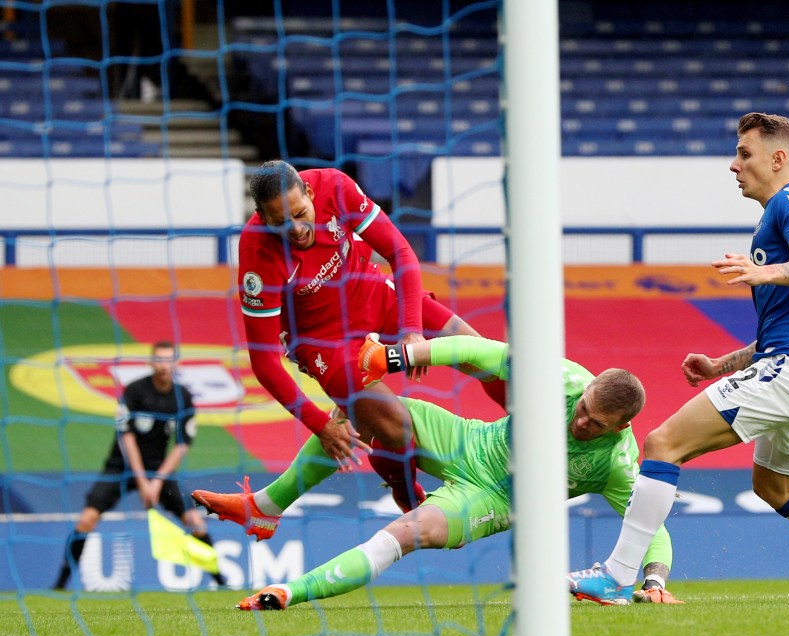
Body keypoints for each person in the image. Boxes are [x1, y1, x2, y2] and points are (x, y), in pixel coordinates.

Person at [567, 112, 789, 604]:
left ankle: (616, 576)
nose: (734, 165)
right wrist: (722, 366)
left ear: (778, 158)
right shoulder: (776, 216)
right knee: (772, 484)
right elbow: (787, 329)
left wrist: (763, 273)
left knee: (663, 443)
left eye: (744, 154)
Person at [228, 333, 681, 610]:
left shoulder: (619, 461)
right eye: (583, 410)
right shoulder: (564, 379)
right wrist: (396, 356)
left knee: (405, 534)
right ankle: (265, 507)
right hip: (468, 440)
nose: (580, 422)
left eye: (595, 424)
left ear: (621, 426)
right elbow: (475, 350)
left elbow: (648, 526)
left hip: (492, 499)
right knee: (357, 410)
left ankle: (289, 593)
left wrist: (655, 579)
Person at [235, 160, 504, 516]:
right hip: (323, 342)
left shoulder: (336, 187)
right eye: (280, 222)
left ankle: (529, 442)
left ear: (311, 193)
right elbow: (264, 361)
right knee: (396, 425)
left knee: (480, 353)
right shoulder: (257, 255)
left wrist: (411, 331)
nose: (296, 228)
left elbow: (400, 253)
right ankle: (406, 496)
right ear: (261, 216)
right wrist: (320, 426)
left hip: (374, 294)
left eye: (301, 213)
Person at [53, 340, 225, 590]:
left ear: (176, 363)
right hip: (120, 468)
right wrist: (143, 481)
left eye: (169, 360)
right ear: (151, 362)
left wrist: (156, 481)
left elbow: (182, 445)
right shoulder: (135, 391)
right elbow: (127, 437)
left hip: (159, 471)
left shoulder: (183, 397)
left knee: (194, 521)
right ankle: (59, 584)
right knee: (87, 519)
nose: (164, 366)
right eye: (159, 360)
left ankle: (221, 582)